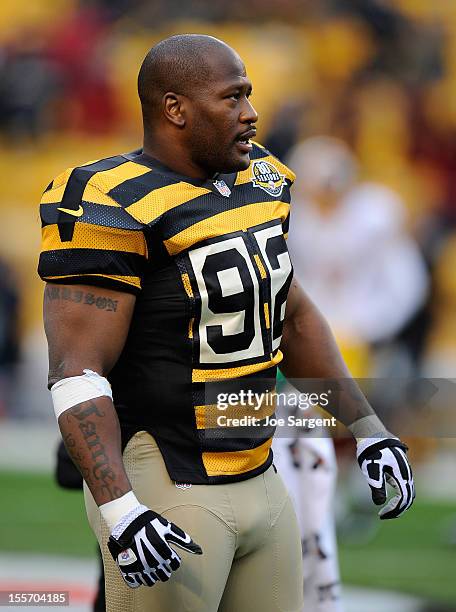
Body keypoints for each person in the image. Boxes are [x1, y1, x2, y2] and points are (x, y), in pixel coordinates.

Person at [38, 34, 415, 612]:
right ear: (175, 109)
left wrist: (365, 427)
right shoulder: (109, 200)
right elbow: (76, 372)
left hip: (262, 474)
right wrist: (120, 509)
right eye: (232, 97)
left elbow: (288, 313)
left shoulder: (260, 177)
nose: (251, 113)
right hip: (169, 480)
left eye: (249, 94)